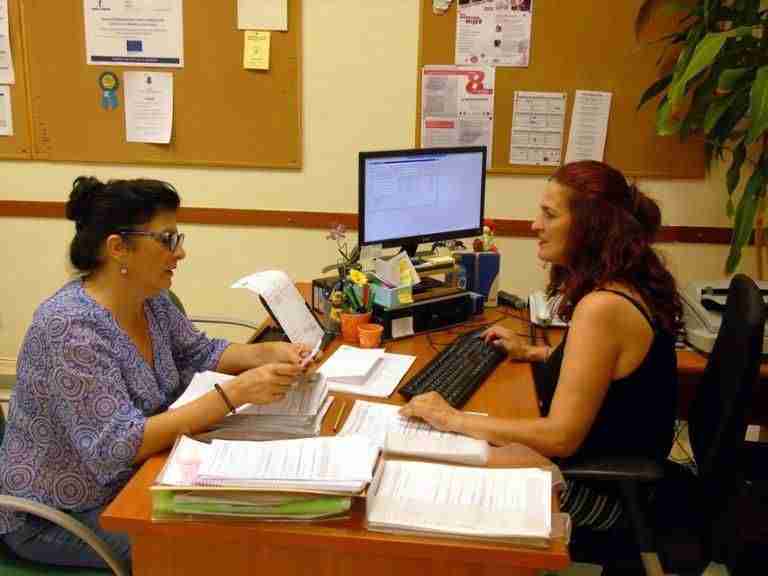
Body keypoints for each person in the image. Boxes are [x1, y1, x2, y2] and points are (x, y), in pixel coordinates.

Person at [0, 177, 317, 571]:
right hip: (59, 514)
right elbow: (118, 447)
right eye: (167, 240)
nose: (180, 252)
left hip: (140, 476)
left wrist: (268, 352)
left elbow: (200, 352)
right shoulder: (69, 328)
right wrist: (234, 394)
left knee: (259, 524)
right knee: (222, 554)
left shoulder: (151, 299)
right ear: (118, 248)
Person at [401, 161, 681, 534]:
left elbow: (560, 437)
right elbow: (610, 374)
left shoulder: (602, 307)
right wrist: (535, 352)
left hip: (607, 497)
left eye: (549, 214)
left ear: (591, 227)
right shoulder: (627, 280)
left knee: (438, 476)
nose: (535, 225)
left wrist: (450, 418)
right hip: (618, 472)